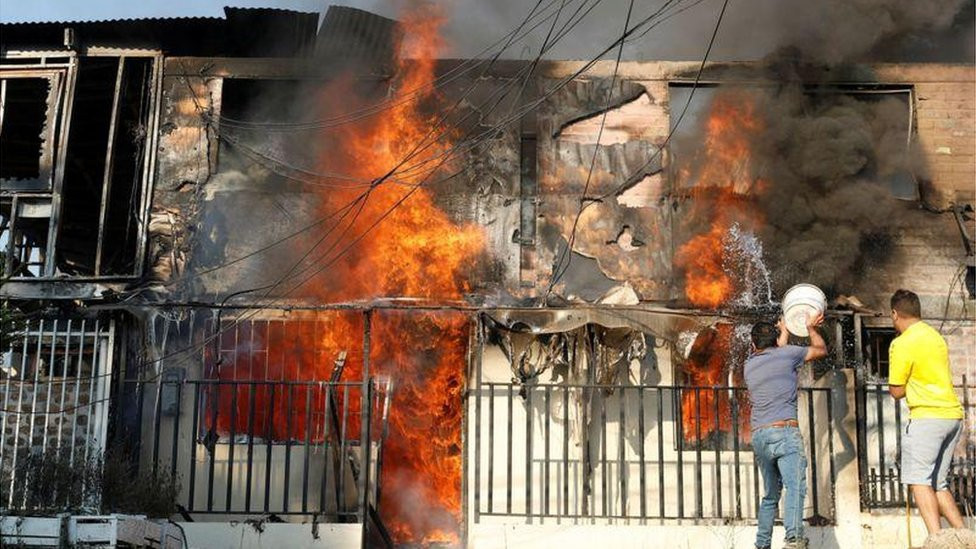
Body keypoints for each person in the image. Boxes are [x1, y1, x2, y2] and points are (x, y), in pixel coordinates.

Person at [744, 313, 827, 549]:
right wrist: (810, 328)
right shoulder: (789, 354)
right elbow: (820, 349)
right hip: (785, 432)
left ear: (753, 344)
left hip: (760, 435)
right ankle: (793, 538)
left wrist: (784, 332)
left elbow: (775, 352)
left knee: (770, 495)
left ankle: (762, 544)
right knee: (795, 487)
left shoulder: (749, 365)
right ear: (774, 341)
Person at [887, 289, 965, 537]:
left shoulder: (901, 343)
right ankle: (964, 536)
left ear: (895, 314)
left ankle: (937, 538)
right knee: (939, 483)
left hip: (927, 418)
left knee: (919, 482)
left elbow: (896, 391)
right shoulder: (936, 337)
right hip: (952, 416)